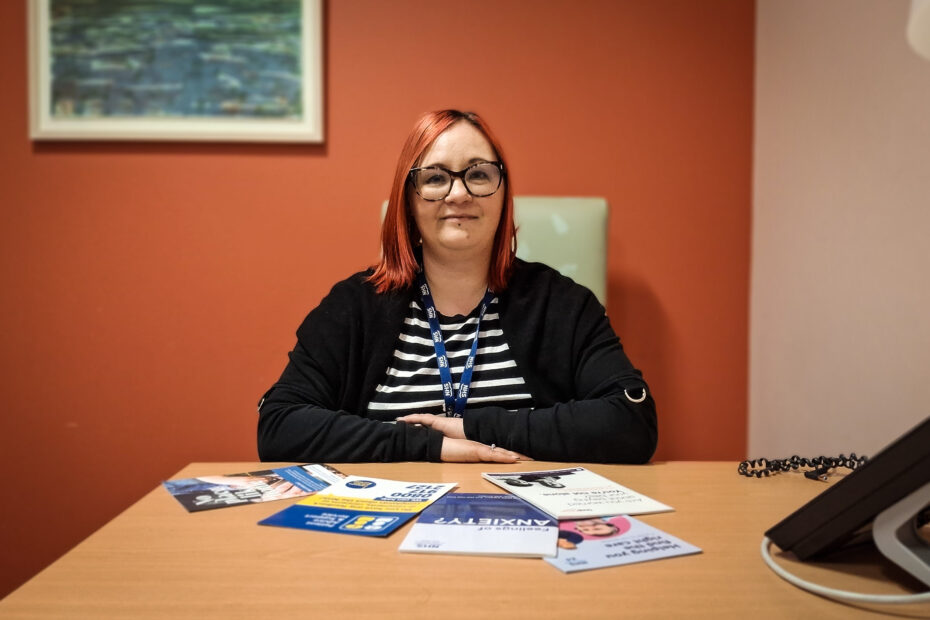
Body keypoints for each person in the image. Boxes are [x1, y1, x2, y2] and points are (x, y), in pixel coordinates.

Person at [257, 109, 657, 464]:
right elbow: (279, 424)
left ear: (503, 193)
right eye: (435, 178)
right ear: (408, 199)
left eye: (479, 174)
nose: (459, 193)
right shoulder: (353, 306)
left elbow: (631, 421)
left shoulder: (562, 303)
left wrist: (472, 428)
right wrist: (430, 446)